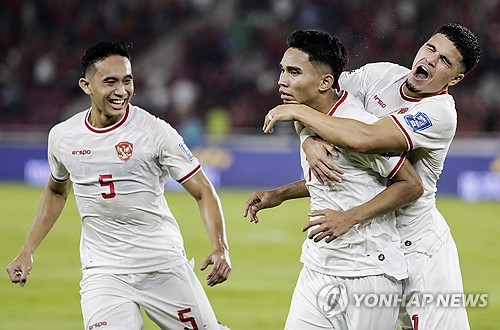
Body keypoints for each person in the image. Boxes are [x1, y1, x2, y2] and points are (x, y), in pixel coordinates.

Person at [262, 23, 481, 330]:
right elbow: (317, 93)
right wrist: (307, 140)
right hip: (376, 237)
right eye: (431, 48)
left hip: (418, 246)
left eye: (445, 61)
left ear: (456, 78)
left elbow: (365, 138)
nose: (431, 59)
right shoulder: (380, 75)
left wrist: (300, 117)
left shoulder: (439, 113)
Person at [6, 42, 232, 330]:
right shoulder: (63, 137)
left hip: (161, 265)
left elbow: (203, 190)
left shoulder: (155, 131)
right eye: (110, 81)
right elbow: (56, 190)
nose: (122, 90)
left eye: (127, 80)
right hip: (104, 272)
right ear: (86, 85)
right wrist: (28, 250)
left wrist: (220, 247)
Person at [244, 29, 424, 329]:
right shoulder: (304, 117)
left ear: (326, 82)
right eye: (282, 70)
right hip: (318, 266)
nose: (282, 80)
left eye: (294, 72)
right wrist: (281, 193)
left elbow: (411, 185)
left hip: (368, 272)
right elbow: (342, 177)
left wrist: (350, 218)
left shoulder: (360, 126)